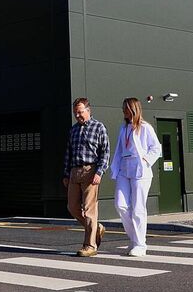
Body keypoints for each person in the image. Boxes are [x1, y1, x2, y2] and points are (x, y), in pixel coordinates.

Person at [109, 97, 162, 257]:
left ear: (134, 109)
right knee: (121, 204)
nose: (123, 111)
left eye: (126, 108)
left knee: (138, 207)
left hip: (140, 169)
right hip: (124, 168)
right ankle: (134, 239)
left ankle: (140, 244)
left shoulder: (145, 127)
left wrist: (145, 160)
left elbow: (156, 148)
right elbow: (119, 149)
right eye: (123, 108)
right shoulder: (123, 128)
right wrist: (115, 168)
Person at [62, 97, 110, 257]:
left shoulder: (99, 127)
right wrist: (66, 174)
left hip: (91, 170)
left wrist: (99, 172)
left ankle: (90, 245)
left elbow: (105, 152)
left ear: (88, 110)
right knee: (72, 207)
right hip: (75, 171)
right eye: (75, 113)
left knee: (89, 210)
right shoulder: (73, 129)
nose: (77, 115)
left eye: (80, 112)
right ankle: (97, 228)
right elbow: (68, 153)